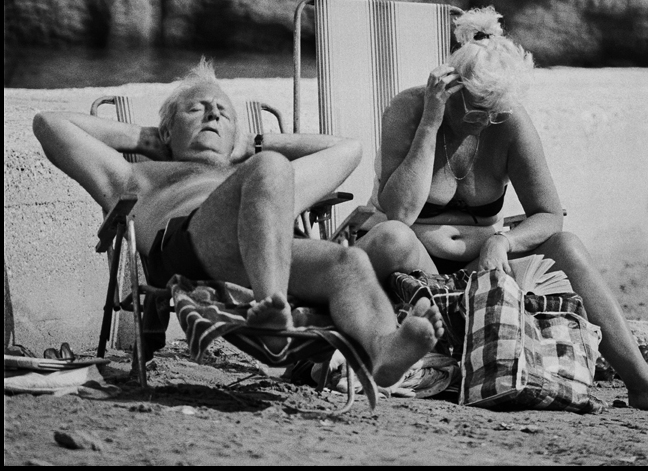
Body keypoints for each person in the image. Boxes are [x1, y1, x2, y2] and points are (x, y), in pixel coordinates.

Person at [357, 7, 648, 416]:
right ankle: (389, 346)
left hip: (479, 268)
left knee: (567, 244)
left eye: (494, 110)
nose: (484, 120)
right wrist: (431, 123)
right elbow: (399, 211)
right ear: (449, 89)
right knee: (391, 235)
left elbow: (548, 214)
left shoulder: (506, 120)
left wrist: (503, 240)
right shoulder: (410, 110)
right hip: (415, 261)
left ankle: (643, 384)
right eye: (475, 108)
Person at [32, 57, 443, 388]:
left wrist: (256, 145)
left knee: (347, 263)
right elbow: (50, 125)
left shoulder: (261, 177)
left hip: (263, 247)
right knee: (271, 171)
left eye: (224, 113)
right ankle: (273, 313)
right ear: (168, 129)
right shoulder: (135, 177)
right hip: (187, 246)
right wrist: (147, 139)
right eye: (197, 108)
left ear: (237, 139)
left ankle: (384, 350)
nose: (212, 114)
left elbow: (347, 149)